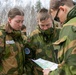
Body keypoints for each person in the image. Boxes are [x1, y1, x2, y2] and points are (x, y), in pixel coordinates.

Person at [43, 0, 76, 75]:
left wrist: (50, 73)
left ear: (62, 9)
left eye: (57, 18)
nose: (59, 22)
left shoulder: (69, 27)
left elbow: (71, 68)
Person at [25, 8, 60, 75]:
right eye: (42, 25)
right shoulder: (33, 36)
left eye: (48, 25)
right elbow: (29, 59)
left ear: (52, 21)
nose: (45, 28)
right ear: (38, 22)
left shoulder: (60, 33)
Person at [0, 7, 26, 75]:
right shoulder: (2, 35)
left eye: (22, 21)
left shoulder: (20, 36)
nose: (20, 25)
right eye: (17, 21)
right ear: (9, 20)